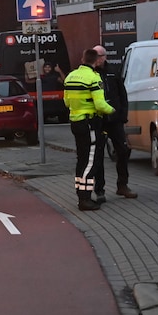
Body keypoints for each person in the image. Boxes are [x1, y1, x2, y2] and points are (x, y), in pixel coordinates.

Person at [64, 48, 116, 211]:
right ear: (95, 61)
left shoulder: (70, 76)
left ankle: (81, 193)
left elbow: (66, 102)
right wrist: (113, 111)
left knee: (81, 159)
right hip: (90, 123)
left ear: (82, 59)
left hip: (75, 122)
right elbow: (100, 104)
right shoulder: (93, 78)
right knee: (91, 160)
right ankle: (85, 199)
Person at [92, 45, 136, 202]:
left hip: (115, 120)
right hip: (98, 121)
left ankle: (122, 185)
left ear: (105, 56)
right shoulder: (90, 73)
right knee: (98, 155)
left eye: (99, 56)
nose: (97, 59)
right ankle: (99, 190)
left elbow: (122, 95)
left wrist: (123, 115)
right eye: (94, 56)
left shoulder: (113, 72)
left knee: (123, 151)